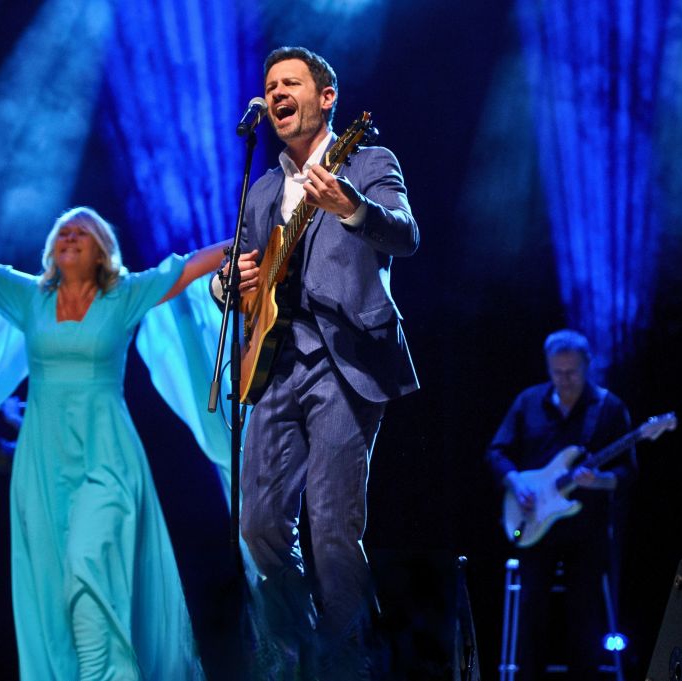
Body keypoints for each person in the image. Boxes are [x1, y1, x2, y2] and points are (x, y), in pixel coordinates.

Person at [0, 207, 225, 680]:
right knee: (60, 587)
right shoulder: (29, 298)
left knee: (87, 564)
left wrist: (251, 232)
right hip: (43, 463)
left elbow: (185, 267)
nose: (70, 237)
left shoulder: (124, 295)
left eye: (82, 232)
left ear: (101, 250)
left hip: (107, 458)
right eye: (63, 232)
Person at [218, 46, 420, 677]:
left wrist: (352, 207)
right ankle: (301, 652)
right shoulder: (262, 189)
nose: (277, 93)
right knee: (258, 526)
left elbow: (405, 234)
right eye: (271, 85)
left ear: (326, 98)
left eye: (291, 83)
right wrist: (228, 284)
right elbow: (239, 270)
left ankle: (351, 665)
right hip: (273, 364)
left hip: (345, 358)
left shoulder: (368, 161)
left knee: (332, 525)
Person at [485, 329, 636, 680]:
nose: (565, 379)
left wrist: (598, 480)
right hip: (535, 527)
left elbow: (628, 473)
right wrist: (517, 482)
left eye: (572, 372)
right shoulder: (528, 402)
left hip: (587, 532)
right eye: (558, 372)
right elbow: (496, 453)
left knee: (584, 620)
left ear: (587, 366)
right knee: (532, 615)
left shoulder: (609, 408)